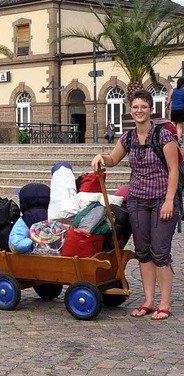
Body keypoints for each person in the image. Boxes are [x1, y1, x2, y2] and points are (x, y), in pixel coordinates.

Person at [91, 89, 178, 321]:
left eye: (143, 107)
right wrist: (102, 158)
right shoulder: (127, 138)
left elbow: (173, 170)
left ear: (151, 110)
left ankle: (165, 303)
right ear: (131, 110)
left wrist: (169, 200)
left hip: (162, 199)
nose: (139, 111)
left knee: (160, 251)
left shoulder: (163, 137)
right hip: (137, 201)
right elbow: (113, 159)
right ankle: (148, 301)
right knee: (143, 253)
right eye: (135, 107)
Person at [166, 77, 184, 143]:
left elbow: (168, 102)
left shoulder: (172, 90)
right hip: (181, 110)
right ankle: (178, 140)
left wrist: (167, 107)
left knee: (173, 125)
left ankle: (172, 139)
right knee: (179, 127)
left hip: (174, 110)